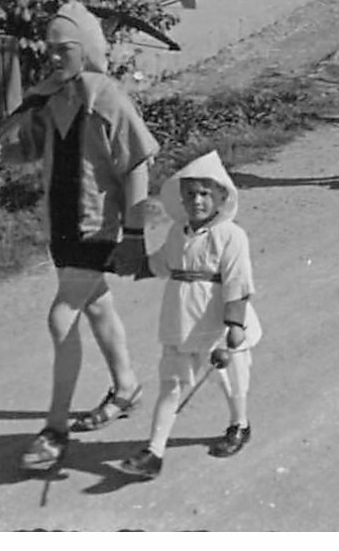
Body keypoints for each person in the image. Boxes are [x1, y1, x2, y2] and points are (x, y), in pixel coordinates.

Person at [0, 1, 158, 473]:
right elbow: (32, 149)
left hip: (96, 226)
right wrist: (2, 156)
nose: (55, 58)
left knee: (62, 318)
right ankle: (126, 387)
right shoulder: (53, 98)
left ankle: (55, 429)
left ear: (87, 50)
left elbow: (138, 164)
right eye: (51, 49)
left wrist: (135, 235)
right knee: (95, 305)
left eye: (65, 50)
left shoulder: (108, 99)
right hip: (60, 227)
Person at [110, 151, 262, 480]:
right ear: (181, 198)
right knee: (172, 383)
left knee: (230, 377)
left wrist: (235, 324)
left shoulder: (231, 236)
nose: (198, 201)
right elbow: (163, 263)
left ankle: (240, 424)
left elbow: (238, 280)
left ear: (222, 197)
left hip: (217, 320)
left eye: (206, 194)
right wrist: (133, 265)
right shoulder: (178, 233)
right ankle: (154, 451)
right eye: (191, 194)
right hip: (180, 318)